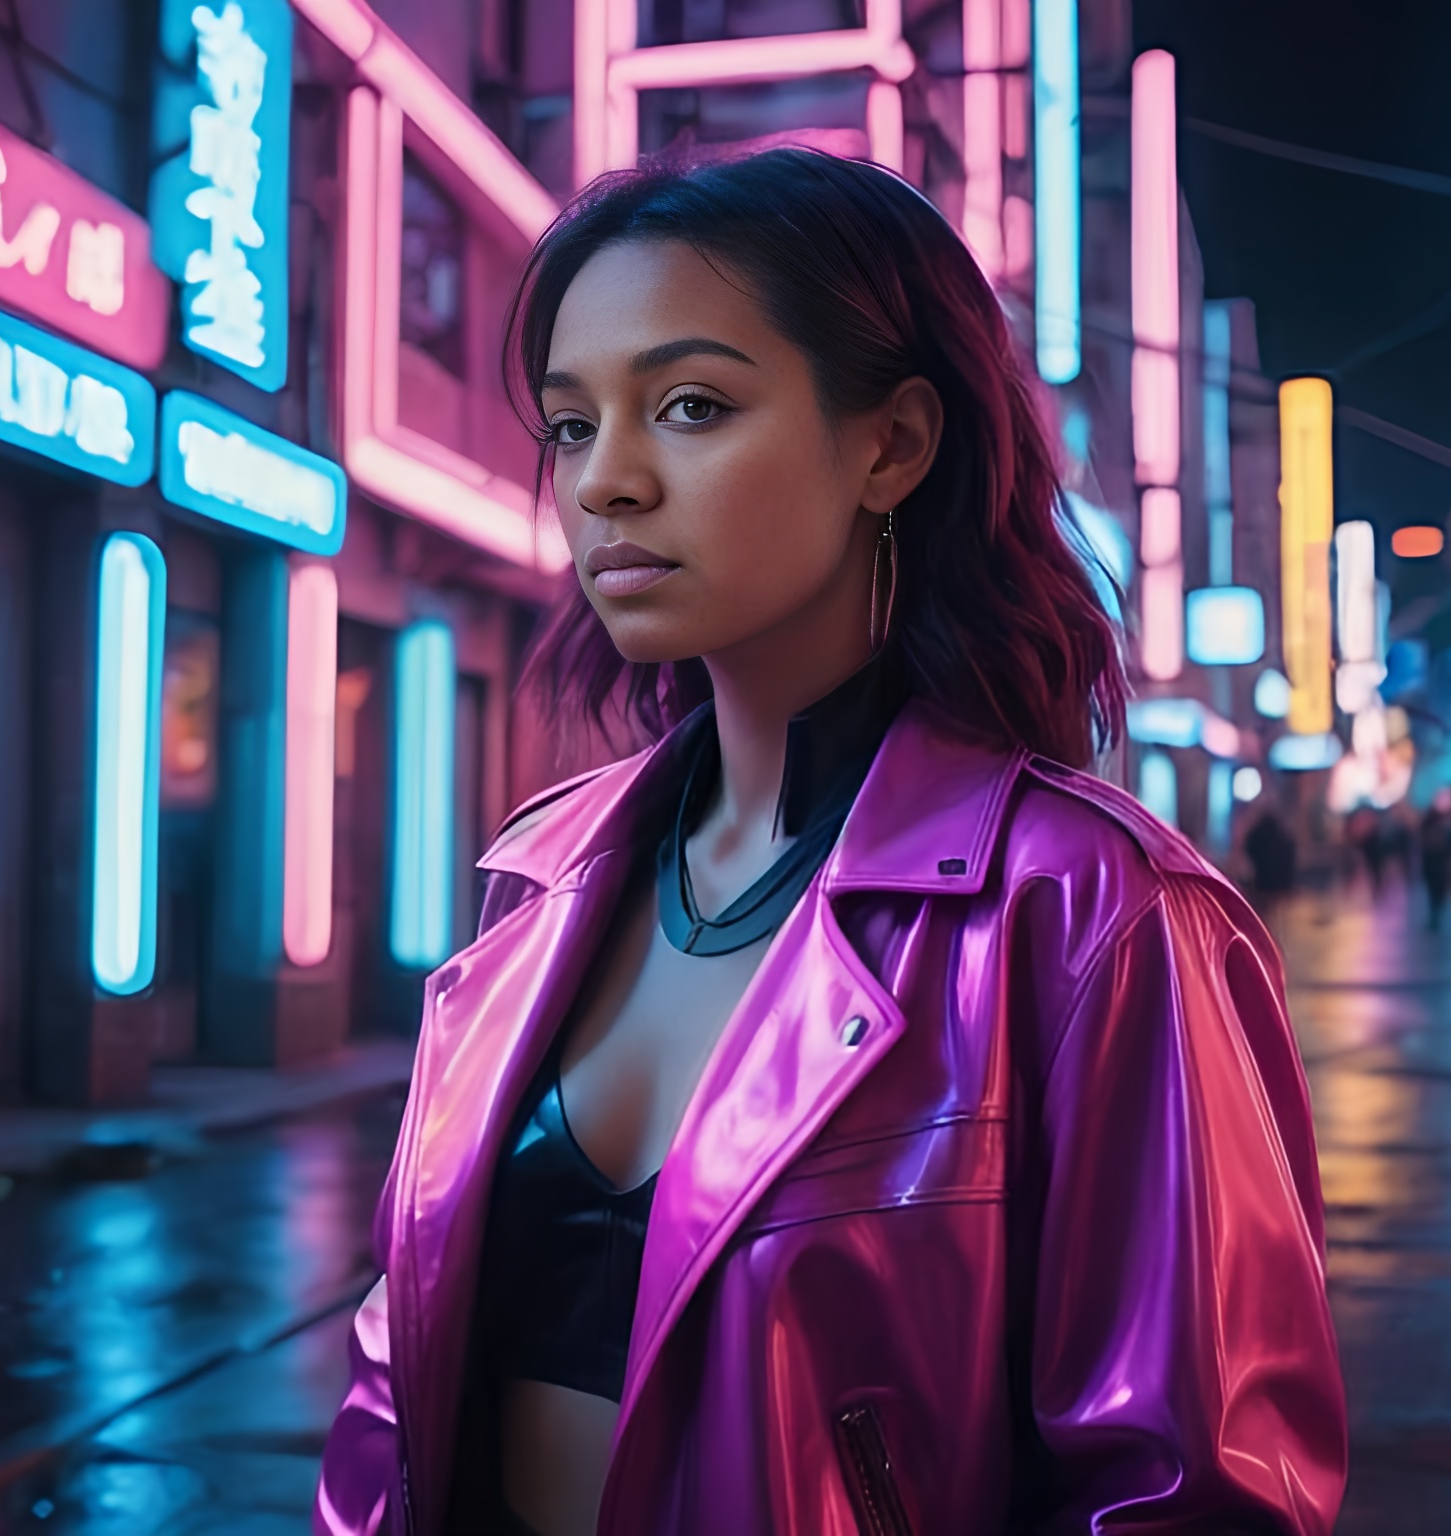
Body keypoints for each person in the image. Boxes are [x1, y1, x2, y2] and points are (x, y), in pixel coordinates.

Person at [314, 151, 1344, 1536]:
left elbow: (1191, 1498)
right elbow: (394, 1393)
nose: (607, 482)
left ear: (894, 444)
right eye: (570, 426)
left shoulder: (1096, 915)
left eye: (689, 406)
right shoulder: (540, 879)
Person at [1245, 803, 1299, 923]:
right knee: (1278, 919)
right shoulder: (1286, 838)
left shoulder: (1257, 836)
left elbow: (1249, 851)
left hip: (1262, 885)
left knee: (1264, 917)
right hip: (1281, 887)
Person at [1419, 800, 1451, 931]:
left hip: (1432, 863)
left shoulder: (1428, 828)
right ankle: (1435, 916)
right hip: (1437, 863)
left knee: (1434, 892)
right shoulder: (1442, 828)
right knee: (1438, 892)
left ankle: (1435, 916)